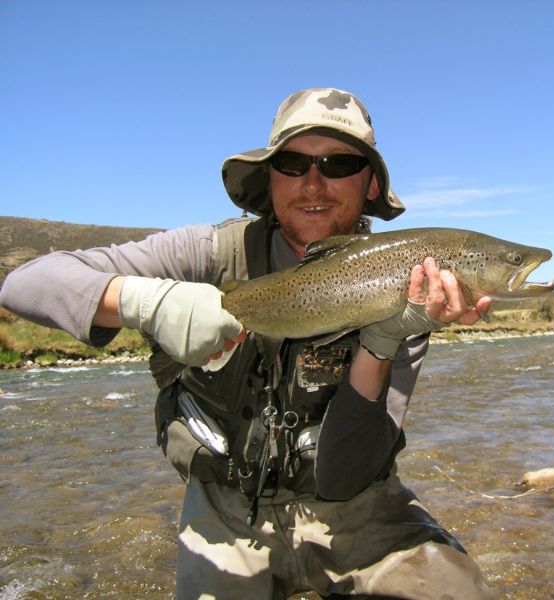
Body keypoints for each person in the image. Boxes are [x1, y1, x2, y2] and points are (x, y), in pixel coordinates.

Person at [0, 87, 496, 600]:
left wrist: (382, 340)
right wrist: (146, 302)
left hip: (358, 508)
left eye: (339, 164)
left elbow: (345, 475)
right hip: (225, 511)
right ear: (269, 176)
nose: (313, 184)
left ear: (370, 183)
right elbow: (26, 284)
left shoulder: (414, 286)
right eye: (292, 163)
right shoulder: (208, 253)